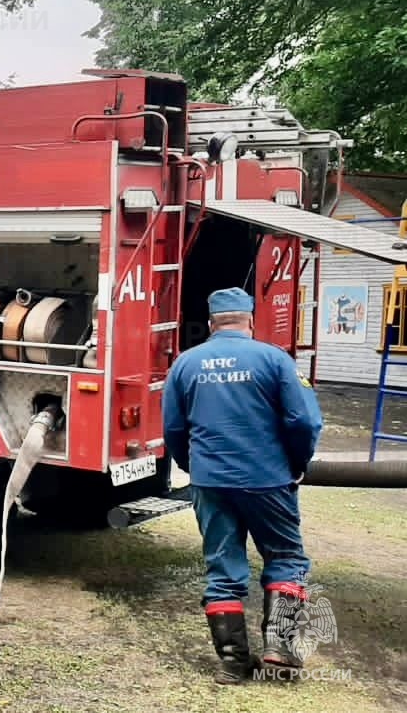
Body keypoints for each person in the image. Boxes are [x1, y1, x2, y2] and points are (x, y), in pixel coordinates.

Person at [162, 287, 323, 684]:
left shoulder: (185, 363)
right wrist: (297, 464)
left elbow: (173, 428)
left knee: (223, 567)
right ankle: (279, 651)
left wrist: (194, 467)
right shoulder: (274, 359)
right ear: (250, 321)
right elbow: (303, 421)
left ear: (213, 323)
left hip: (209, 481)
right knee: (285, 556)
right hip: (267, 479)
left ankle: (233, 664)